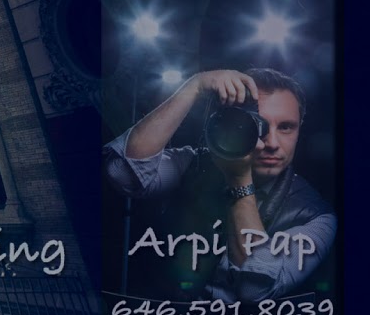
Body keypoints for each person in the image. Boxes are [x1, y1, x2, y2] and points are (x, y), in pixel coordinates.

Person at [103, 67, 336, 302]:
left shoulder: (316, 216)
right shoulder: (197, 163)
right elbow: (122, 174)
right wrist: (194, 86)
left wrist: (239, 180)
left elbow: (254, 290)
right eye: (259, 126)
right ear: (233, 125)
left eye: (286, 127)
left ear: (299, 130)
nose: (272, 143)